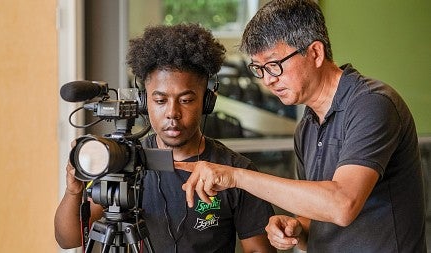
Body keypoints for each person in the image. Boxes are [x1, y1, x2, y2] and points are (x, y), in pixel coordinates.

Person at [178, 1, 427, 252]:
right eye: (259, 69)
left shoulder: (372, 104)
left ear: (315, 53)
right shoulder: (306, 127)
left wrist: (236, 176)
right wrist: (296, 228)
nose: (268, 81)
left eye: (274, 65)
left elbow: (342, 205)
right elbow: (317, 220)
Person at [54, 23, 276, 253]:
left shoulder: (235, 171)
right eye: (160, 101)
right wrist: (73, 192)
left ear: (207, 101)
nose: (172, 113)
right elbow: (68, 240)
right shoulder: (124, 163)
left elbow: (260, 250)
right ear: (144, 101)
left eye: (186, 100)